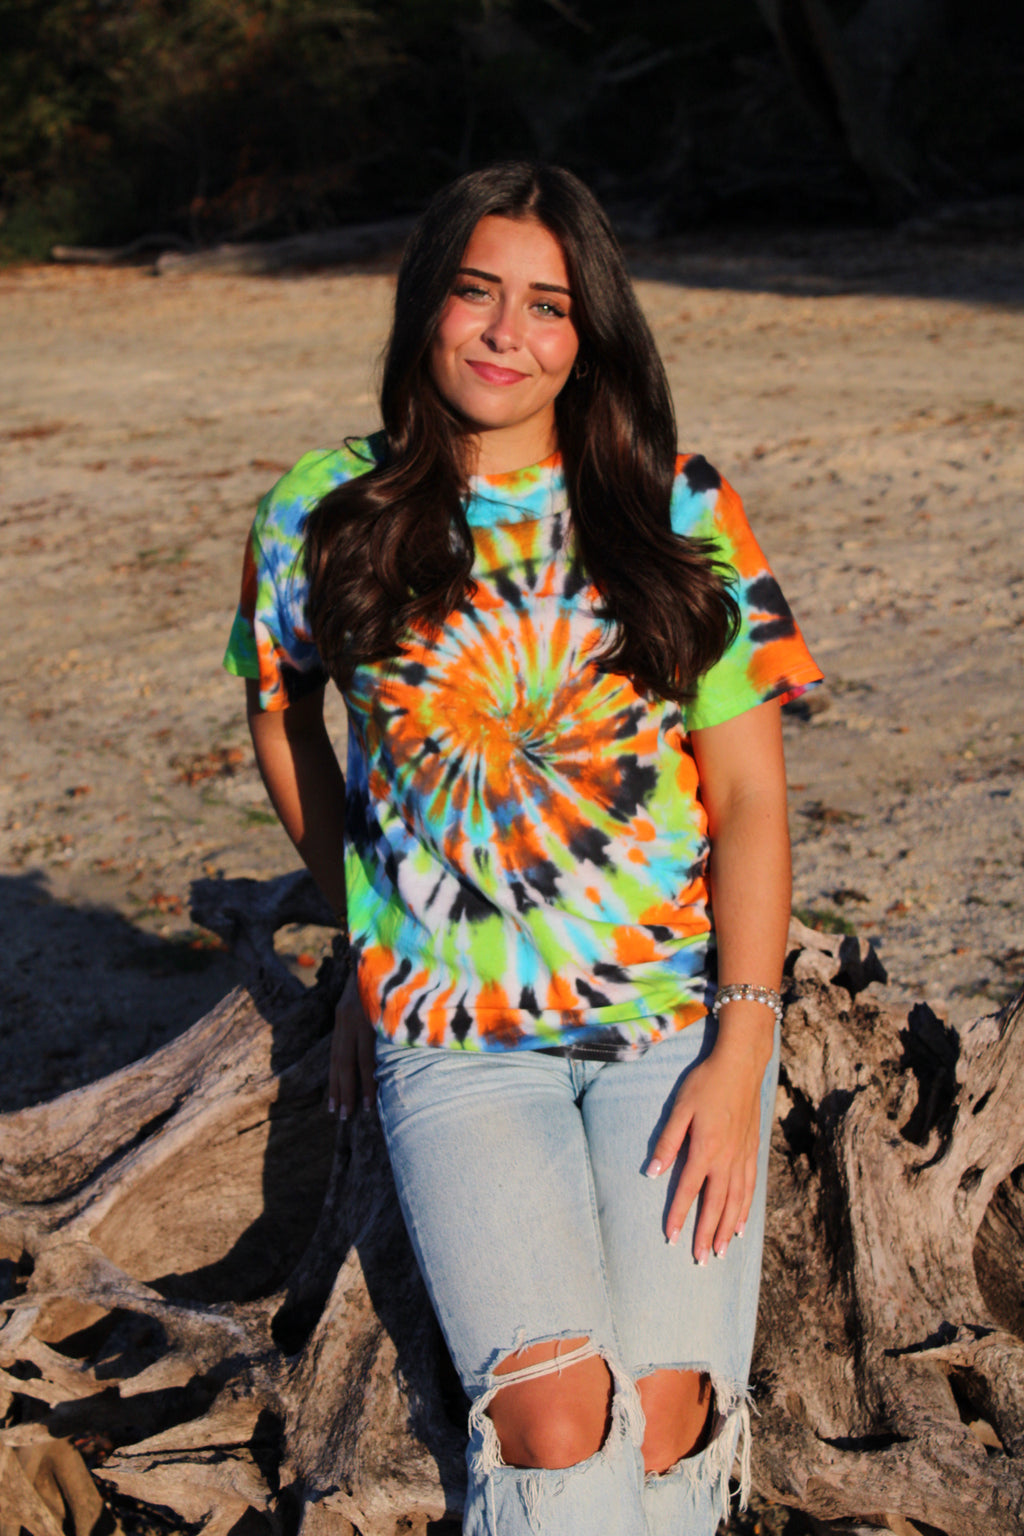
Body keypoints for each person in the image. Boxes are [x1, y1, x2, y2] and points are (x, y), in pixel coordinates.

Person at [224, 161, 822, 1536]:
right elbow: (279, 719)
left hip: (680, 1025)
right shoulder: (328, 507)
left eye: (548, 306)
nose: (507, 332)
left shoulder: (676, 503)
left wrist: (744, 1047)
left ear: (587, 333)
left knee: (671, 1414)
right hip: (457, 1042)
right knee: (556, 1415)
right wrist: (368, 928)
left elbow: (749, 794)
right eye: (477, 292)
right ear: (423, 302)